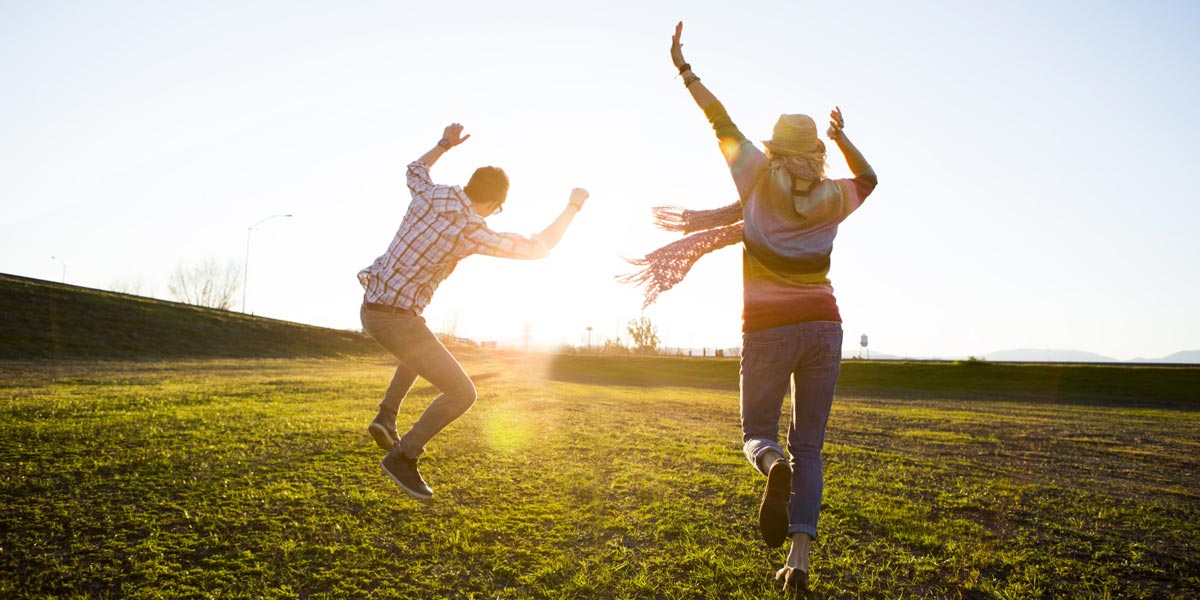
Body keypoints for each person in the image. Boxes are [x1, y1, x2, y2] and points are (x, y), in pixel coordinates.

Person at [625, 23, 877, 593]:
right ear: (815, 151)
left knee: (757, 432)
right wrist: (840, 138)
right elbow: (869, 178)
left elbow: (717, 118)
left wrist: (684, 68)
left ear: (775, 147)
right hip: (825, 326)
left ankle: (772, 466)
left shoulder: (756, 173)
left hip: (767, 328)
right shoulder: (835, 194)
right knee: (810, 446)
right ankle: (799, 559)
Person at [358, 123, 589, 500]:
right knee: (462, 393)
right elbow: (536, 248)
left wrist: (444, 144)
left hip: (372, 306)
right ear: (495, 204)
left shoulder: (430, 194)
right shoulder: (470, 228)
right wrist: (573, 207)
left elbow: (415, 169)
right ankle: (403, 456)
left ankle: (387, 414)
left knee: (420, 348)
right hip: (394, 318)